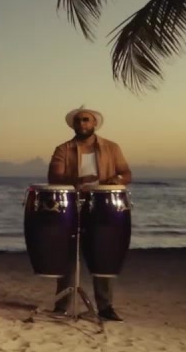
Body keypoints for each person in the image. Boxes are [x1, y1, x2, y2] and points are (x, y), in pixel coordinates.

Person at [47, 106, 132, 322]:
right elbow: (54, 177)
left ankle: (105, 307)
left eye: (86, 120)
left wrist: (116, 180)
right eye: (78, 121)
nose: (82, 124)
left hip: (102, 205)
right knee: (68, 255)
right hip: (72, 204)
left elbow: (126, 173)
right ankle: (62, 305)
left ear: (94, 123)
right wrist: (76, 181)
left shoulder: (111, 147)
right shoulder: (63, 149)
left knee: (103, 254)